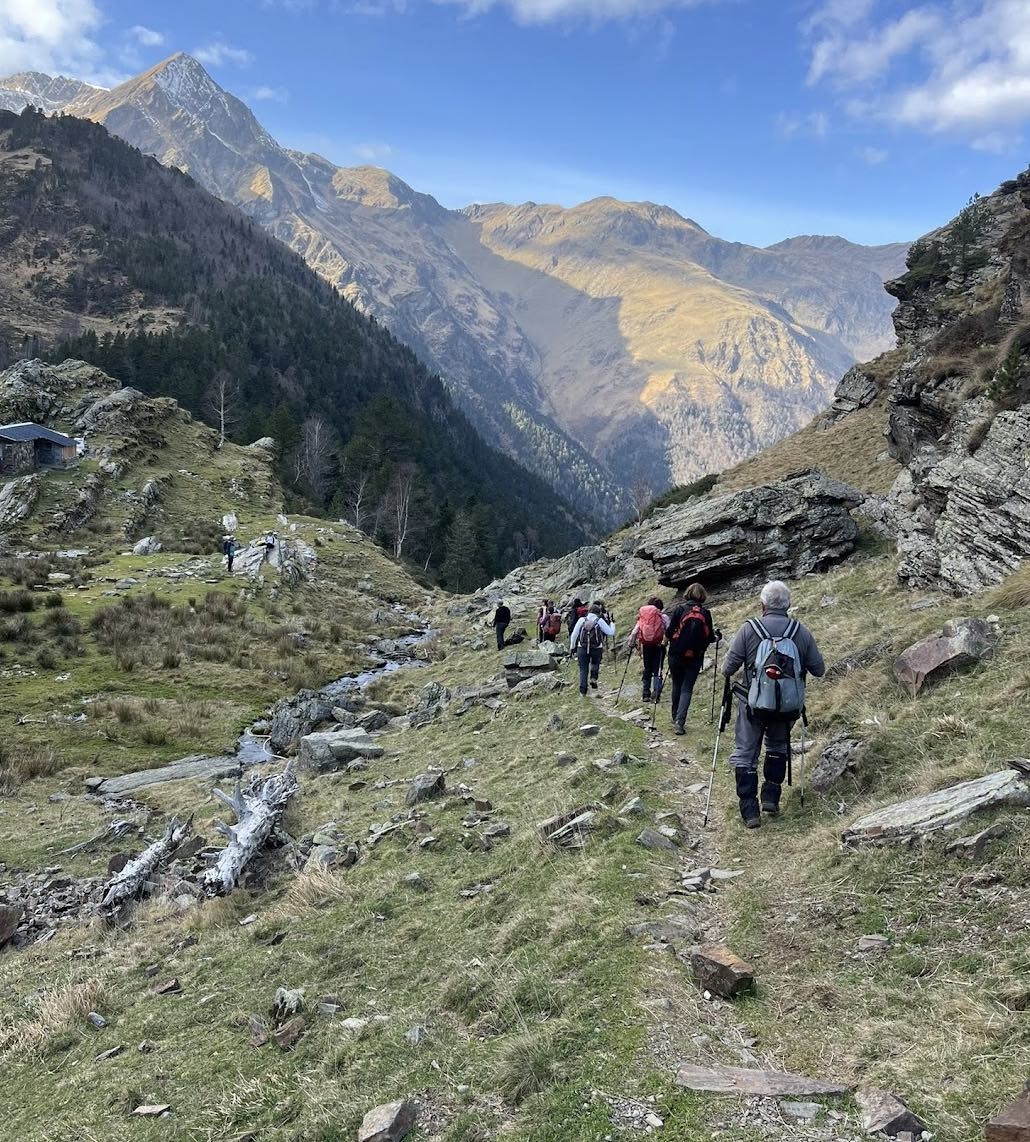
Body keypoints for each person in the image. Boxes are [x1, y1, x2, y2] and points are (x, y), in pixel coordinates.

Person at [722, 580, 825, 828]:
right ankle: (771, 797)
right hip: (787, 707)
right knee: (778, 746)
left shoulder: (749, 629)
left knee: (746, 754)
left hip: (752, 704)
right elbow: (819, 670)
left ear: (763, 604)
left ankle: (749, 811)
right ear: (788, 605)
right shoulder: (800, 631)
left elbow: (727, 668)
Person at [665, 583, 718, 736]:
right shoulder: (705, 613)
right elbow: (710, 637)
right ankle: (680, 723)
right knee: (687, 688)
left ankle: (675, 716)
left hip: (676, 653)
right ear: (702, 596)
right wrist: (717, 637)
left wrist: (666, 642)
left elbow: (669, 631)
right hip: (695, 656)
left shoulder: (680, 610)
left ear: (688, 594)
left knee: (676, 684)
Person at [626, 596, 669, 702]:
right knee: (658, 668)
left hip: (647, 646)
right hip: (660, 645)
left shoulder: (643, 617)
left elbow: (635, 631)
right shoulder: (663, 617)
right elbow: (670, 630)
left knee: (647, 668)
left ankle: (646, 693)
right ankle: (656, 693)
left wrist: (631, 644)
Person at [570, 602, 616, 696]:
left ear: (589, 611)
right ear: (598, 612)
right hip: (596, 647)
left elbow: (574, 634)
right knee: (595, 663)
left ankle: (583, 692)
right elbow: (610, 632)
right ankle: (593, 678)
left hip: (582, 647)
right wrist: (612, 623)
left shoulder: (582, 620)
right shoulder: (599, 620)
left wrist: (572, 647)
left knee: (583, 669)